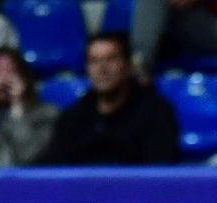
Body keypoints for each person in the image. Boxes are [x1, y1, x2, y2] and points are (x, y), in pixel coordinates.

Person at [37, 33, 180, 165]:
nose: (102, 68)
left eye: (111, 59)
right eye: (94, 61)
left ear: (127, 66)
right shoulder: (73, 117)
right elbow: (51, 165)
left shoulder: (156, 113)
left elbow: (159, 169)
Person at [0, 47, 58, 167]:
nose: (2, 80)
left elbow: (30, 155)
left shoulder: (46, 113)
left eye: (11, 72)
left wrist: (17, 105)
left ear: (24, 78)